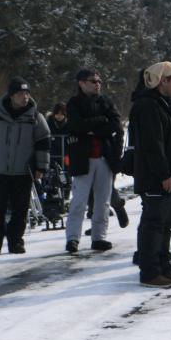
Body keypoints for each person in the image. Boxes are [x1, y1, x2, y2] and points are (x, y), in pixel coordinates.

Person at [0, 77, 50, 254]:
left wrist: (41, 167)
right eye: (21, 93)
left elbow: (44, 141)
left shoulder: (35, 117)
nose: (25, 97)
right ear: (12, 95)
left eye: (27, 93)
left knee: (20, 209)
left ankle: (16, 242)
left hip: (23, 170)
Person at [129, 61, 171, 287]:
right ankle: (150, 272)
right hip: (156, 178)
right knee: (153, 224)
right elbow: (153, 145)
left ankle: (164, 267)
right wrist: (164, 174)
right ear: (162, 81)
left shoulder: (165, 104)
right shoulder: (148, 106)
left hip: (169, 177)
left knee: (165, 224)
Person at [64, 69, 123, 253]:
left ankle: (99, 237)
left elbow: (115, 124)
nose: (97, 84)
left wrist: (93, 129)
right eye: (93, 81)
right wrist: (100, 121)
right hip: (83, 158)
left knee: (103, 201)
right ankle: (73, 238)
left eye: (99, 81)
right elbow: (76, 125)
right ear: (81, 83)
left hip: (104, 157)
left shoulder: (106, 101)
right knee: (79, 201)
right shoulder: (74, 103)